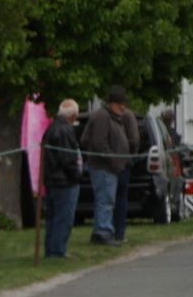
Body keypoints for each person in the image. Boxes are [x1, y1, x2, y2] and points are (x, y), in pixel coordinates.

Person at [79, 86, 139, 246]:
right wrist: (114, 160)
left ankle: (101, 231)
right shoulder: (103, 117)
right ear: (111, 103)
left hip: (110, 167)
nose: (123, 107)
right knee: (105, 201)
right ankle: (103, 232)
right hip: (104, 167)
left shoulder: (112, 117)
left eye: (124, 104)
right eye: (120, 104)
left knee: (106, 200)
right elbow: (99, 143)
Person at [41, 99, 84, 259]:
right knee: (63, 218)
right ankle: (58, 251)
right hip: (65, 181)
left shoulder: (51, 128)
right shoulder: (65, 131)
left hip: (52, 180)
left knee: (52, 218)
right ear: (73, 116)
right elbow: (67, 159)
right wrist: (77, 175)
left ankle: (51, 249)